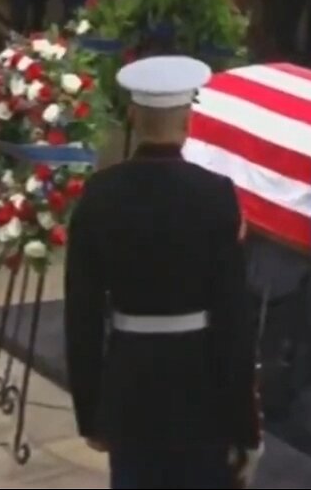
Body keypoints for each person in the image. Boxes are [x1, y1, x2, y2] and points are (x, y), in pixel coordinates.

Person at [65, 55, 262, 490]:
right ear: (189, 121)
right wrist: (244, 425)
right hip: (200, 386)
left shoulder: (100, 196)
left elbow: (81, 316)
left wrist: (91, 412)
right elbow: (233, 320)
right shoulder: (215, 196)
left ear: (132, 116)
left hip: (129, 384)